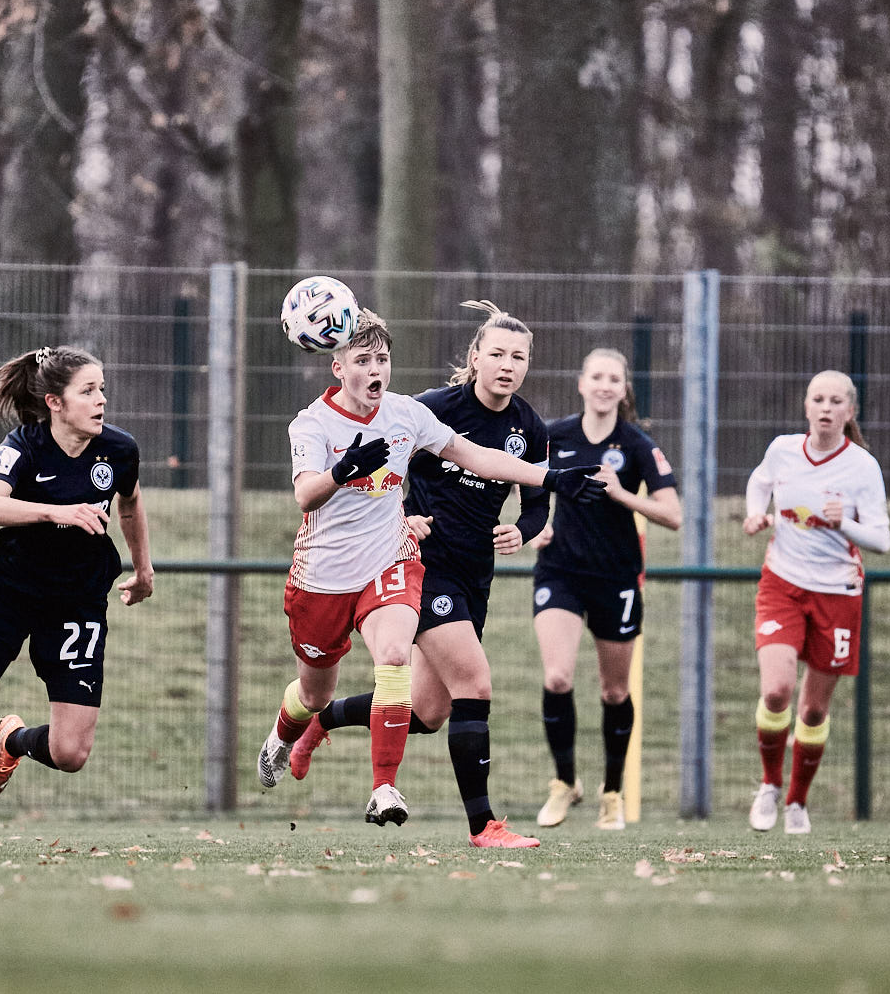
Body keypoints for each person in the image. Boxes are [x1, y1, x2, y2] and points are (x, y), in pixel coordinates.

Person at [255, 308, 608, 830]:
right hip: (332, 575)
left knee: (423, 702)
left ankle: (385, 789)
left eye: (383, 359)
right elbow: (305, 493)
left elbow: (483, 460)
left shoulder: (409, 415)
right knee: (320, 692)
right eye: (363, 360)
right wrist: (344, 472)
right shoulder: (313, 423)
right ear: (338, 367)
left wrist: (552, 481)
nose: (376, 369)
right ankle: (305, 724)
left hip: (401, 564)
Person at [0, 346, 156, 855]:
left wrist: (143, 567)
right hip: (10, 591)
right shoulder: (23, 446)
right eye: (88, 391)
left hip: (77, 602)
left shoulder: (119, 450)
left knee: (70, 753)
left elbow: (129, 503)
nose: (101, 400)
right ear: (55, 402)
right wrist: (56, 512)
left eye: (102, 388)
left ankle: (13, 742)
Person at [530, 348, 682, 832]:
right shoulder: (554, 436)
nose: (604, 385)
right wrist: (534, 525)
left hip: (616, 578)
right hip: (561, 574)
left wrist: (621, 494)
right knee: (557, 677)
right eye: (596, 376)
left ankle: (611, 792)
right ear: (581, 383)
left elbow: (673, 515)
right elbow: (519, 481)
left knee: (615, 691)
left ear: (623, 388)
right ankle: (564, 782)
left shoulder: (637, 445)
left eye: (613, 378)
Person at [742, 369, 889, 835]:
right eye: (818, 399)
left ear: (850, 412)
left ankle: (797, 803)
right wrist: (753, 513)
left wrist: (844, 521)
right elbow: (760, 482)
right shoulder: (782, 450)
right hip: (782, 583)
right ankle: (768, 785)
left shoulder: (863, 467)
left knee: (812, 712)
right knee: (776, 691)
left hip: (838, 593)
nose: (826, 409)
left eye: (836, 401)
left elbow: (882, 540)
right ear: (806, 407)